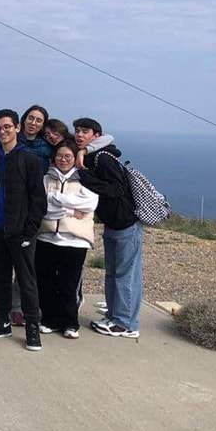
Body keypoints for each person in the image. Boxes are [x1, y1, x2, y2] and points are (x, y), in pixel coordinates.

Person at [0, 109, 48, 351]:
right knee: (0, 278)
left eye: (7, 126)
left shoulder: (30, 160)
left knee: (27, 281)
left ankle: (32, 329)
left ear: (17, 128)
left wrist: (29, 230)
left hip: (20, 232)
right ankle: (2, 322)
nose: (2, 131)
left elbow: (38, 200)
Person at [73, 118, 143, 338]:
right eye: (77, 131)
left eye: (85, 131)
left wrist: (84, 176)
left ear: (96, 135)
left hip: (125, 223)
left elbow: (116, 189)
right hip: (114, 224)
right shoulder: (92, 156)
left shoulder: (103, 158)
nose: (79, 134)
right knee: (113, 274)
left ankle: (125, 324)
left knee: (124, 275)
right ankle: (114, 318)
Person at [36, 139, 98, 339]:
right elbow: (42, 206)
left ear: (74, 158)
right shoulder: (46, 178)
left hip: (75, 240)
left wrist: (56, 199)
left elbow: (90, 204)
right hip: (47, 237)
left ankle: (70, 323)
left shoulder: (85, 178)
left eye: (68, 156)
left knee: (69, 284)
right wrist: (71, 209)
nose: (63, 160)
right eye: (60, 156)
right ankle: (49, 319)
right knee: (45, 282)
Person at [20, 105, 54, 172]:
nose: (33, 123)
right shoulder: (11, 141)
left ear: (43, 125)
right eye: (30, 118)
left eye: (38, 121)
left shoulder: (47, 147)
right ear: (24, 120)